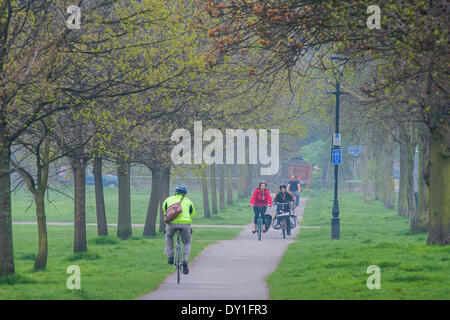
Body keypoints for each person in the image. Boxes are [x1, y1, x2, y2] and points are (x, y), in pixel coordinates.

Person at [162, 186, 195, 275]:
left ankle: (171, 256)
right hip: (185, 224)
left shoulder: (168, 199)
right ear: (184, 194)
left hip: (171, 224)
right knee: (187, 242)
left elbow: (165, 210)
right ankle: (185, 260)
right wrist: (188, 222)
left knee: (168, 236)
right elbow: (192, 213)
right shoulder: (188, 201)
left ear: (175, 192)